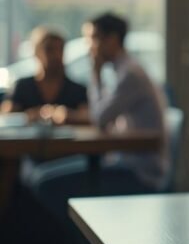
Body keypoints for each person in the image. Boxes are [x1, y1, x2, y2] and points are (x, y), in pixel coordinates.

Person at [26, 13, 167, 229]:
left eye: (92, 38)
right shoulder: (124, 70)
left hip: (138, 171)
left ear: (111, 40)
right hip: (125, 162)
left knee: (43, 182)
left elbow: (99, 118)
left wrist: (95, 71)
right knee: (40, 176)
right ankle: (85, 240)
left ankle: (83, 242)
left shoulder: (129, 74)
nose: (87, 46)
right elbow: (101, 115)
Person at [1, 26, 89, 124]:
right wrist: (31, 115)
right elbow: (6, 117)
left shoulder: (77, 90)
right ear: (36, 52)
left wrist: (70, 116)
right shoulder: (22, 87)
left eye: (60, 49)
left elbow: (90, 118)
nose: (56, 55)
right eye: (49, 49)